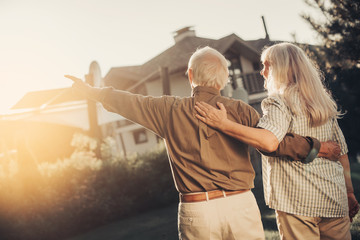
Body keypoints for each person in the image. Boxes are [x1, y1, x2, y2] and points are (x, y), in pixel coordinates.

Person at [65, 46, 338, 240]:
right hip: (240, 205)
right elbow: (276, 143)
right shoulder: (241, 111)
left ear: (190, 75)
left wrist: (89, 91)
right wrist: (316, 146)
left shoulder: (168, 109)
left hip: (197, 210)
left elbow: (126, 101)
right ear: (224, 79)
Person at [195, 43, 359, 240]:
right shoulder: (323, 102)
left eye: (266, 65)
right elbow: (341, 153)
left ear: (281, 68)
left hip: (298, 203)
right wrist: (349, 193)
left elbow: (268, 142)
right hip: (334, 196)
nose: (262, 72)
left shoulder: (278, 102)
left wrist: (223, 124)